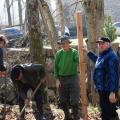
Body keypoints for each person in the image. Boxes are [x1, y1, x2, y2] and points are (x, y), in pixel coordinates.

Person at [83, 37, 119, 120]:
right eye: (99, 44)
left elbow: (114, 75)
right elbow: (98, 61)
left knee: (110, 113)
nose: (100, 45)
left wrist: (113, 92)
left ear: (108, 44)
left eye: (102, 43)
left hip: (109, 91)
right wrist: (88, 52)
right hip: (103, 89)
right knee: (106, 112)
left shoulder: (111, 56)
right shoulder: (104, 55)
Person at [54, 35, 80, 120]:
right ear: (61, 45)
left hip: (73, 78)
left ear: (69, 44)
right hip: (62, 79)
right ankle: (67, 116)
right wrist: (57, 79)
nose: (64, 45)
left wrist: (81, 55)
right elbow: (56, 67)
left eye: (65, 43)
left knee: (74, 100)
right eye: (62, 44)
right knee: (63, 100)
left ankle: (76, 116)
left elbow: (78, 60)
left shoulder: (74, 52)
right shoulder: (59, 53)